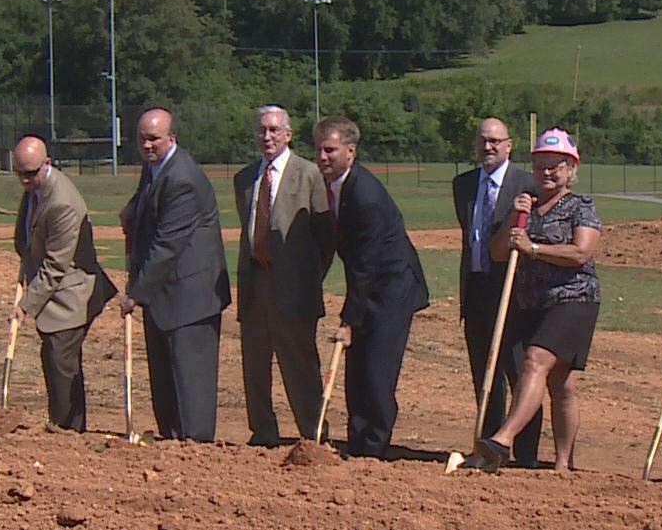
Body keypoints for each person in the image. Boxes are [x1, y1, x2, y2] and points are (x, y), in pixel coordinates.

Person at [469, 129, 600, 473]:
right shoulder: (525, 205)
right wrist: (515, 218)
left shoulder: (580, 206)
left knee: (535, 360)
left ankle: (503, 439)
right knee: (561, 383)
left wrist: (535, 249)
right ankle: (562, 464)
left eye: (556, 166)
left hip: (573, 299)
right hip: (532, 303)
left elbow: (581, 252)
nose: (547, 172)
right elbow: (498, 252)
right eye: (541, 165)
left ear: (571, 168)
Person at [315, 116, 429, 459]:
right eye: (319, 149)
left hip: (392, 288)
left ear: (350, 152)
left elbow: (364, 265)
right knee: (358, 368)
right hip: (369, 285)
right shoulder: (335, 186)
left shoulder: (365, 195)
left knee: (377, 369)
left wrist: (349, 322)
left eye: (330, 150)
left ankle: (375, 447)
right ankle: (358, 439)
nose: (322, 156)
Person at [118, 108, 229, 442]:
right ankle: (172, 441)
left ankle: (195, 451)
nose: (147, 145)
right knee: (165, 381)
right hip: (164, 296)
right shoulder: (154, 168)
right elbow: (146, 205)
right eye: (142, 138)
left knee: (190, 383)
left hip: (191, 297)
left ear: (172, 138)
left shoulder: (182, 178)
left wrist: (136, 293)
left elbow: (167, 244)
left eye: (154, 138)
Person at [232, 105, 333, 445]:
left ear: (288, 135)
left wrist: (308, 279)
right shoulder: (245, 179)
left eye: (275, 130)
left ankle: (313, 434)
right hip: (255, 283)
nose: (267, 136)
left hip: (295, 289)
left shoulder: (309, 174)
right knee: (255, 366)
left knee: (300, 366)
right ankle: (262, 431)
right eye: (262, 130)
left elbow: (325, 238)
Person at [12, 134, 117, 431]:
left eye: (30, 173)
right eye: (19, 173)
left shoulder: (62, 203)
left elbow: (55, 266)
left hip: (72, 294)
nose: (24, 181)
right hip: (54, 288)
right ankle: (65, 426)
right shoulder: (34, 187)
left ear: (47, 163)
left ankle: (67, 431)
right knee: (55, 360)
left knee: (61, 362)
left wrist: (25, 307)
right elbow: (28, 238)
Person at [454, 117, 542, 465]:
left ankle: (526, 454)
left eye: (495, 141)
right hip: (475, 288)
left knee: (518, 371)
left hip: (513, 292)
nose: (488, 147)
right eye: (482, 140)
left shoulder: (527, 184)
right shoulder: (462, 185)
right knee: (484, 375)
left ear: (509, 145)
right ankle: (489, 448)